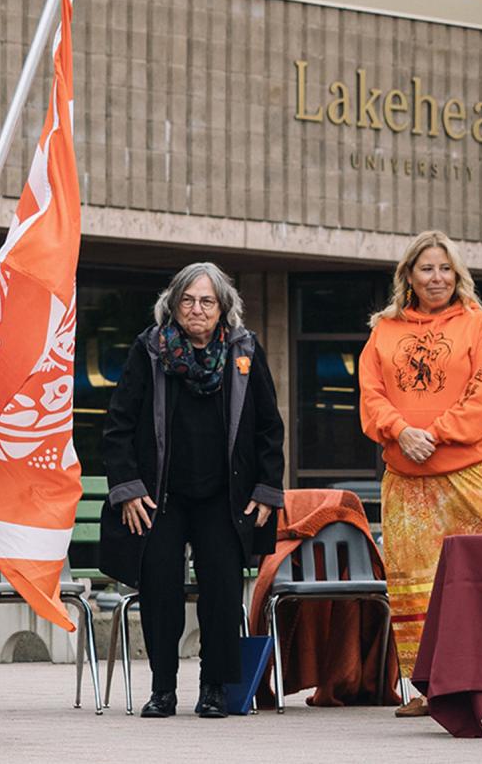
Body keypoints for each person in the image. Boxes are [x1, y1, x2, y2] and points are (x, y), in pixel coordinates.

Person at [359, 230, 482, 719]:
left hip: (471, 473)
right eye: (426, 269)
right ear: (409, 277)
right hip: (407, 479)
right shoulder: (384, 332)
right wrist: (401, 432)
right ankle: (426, 687)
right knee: (417, 584)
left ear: (457, 275)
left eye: (445, 268)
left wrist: (431, 435)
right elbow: (371, 397)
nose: (436, 278)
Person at [101, 262, 284, 719]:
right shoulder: (150, 349)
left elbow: (268, 427)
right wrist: (126, 488)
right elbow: (119, 423)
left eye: (207, 301)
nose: (197, 309)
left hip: (225, 496)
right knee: (160, 586)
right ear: (173, 303)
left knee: (222, 590)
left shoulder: (243, 350)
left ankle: (215, 687)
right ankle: (163, 688)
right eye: (188, 299)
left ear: (223, 307)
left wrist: (266, 488)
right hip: (160, 495)